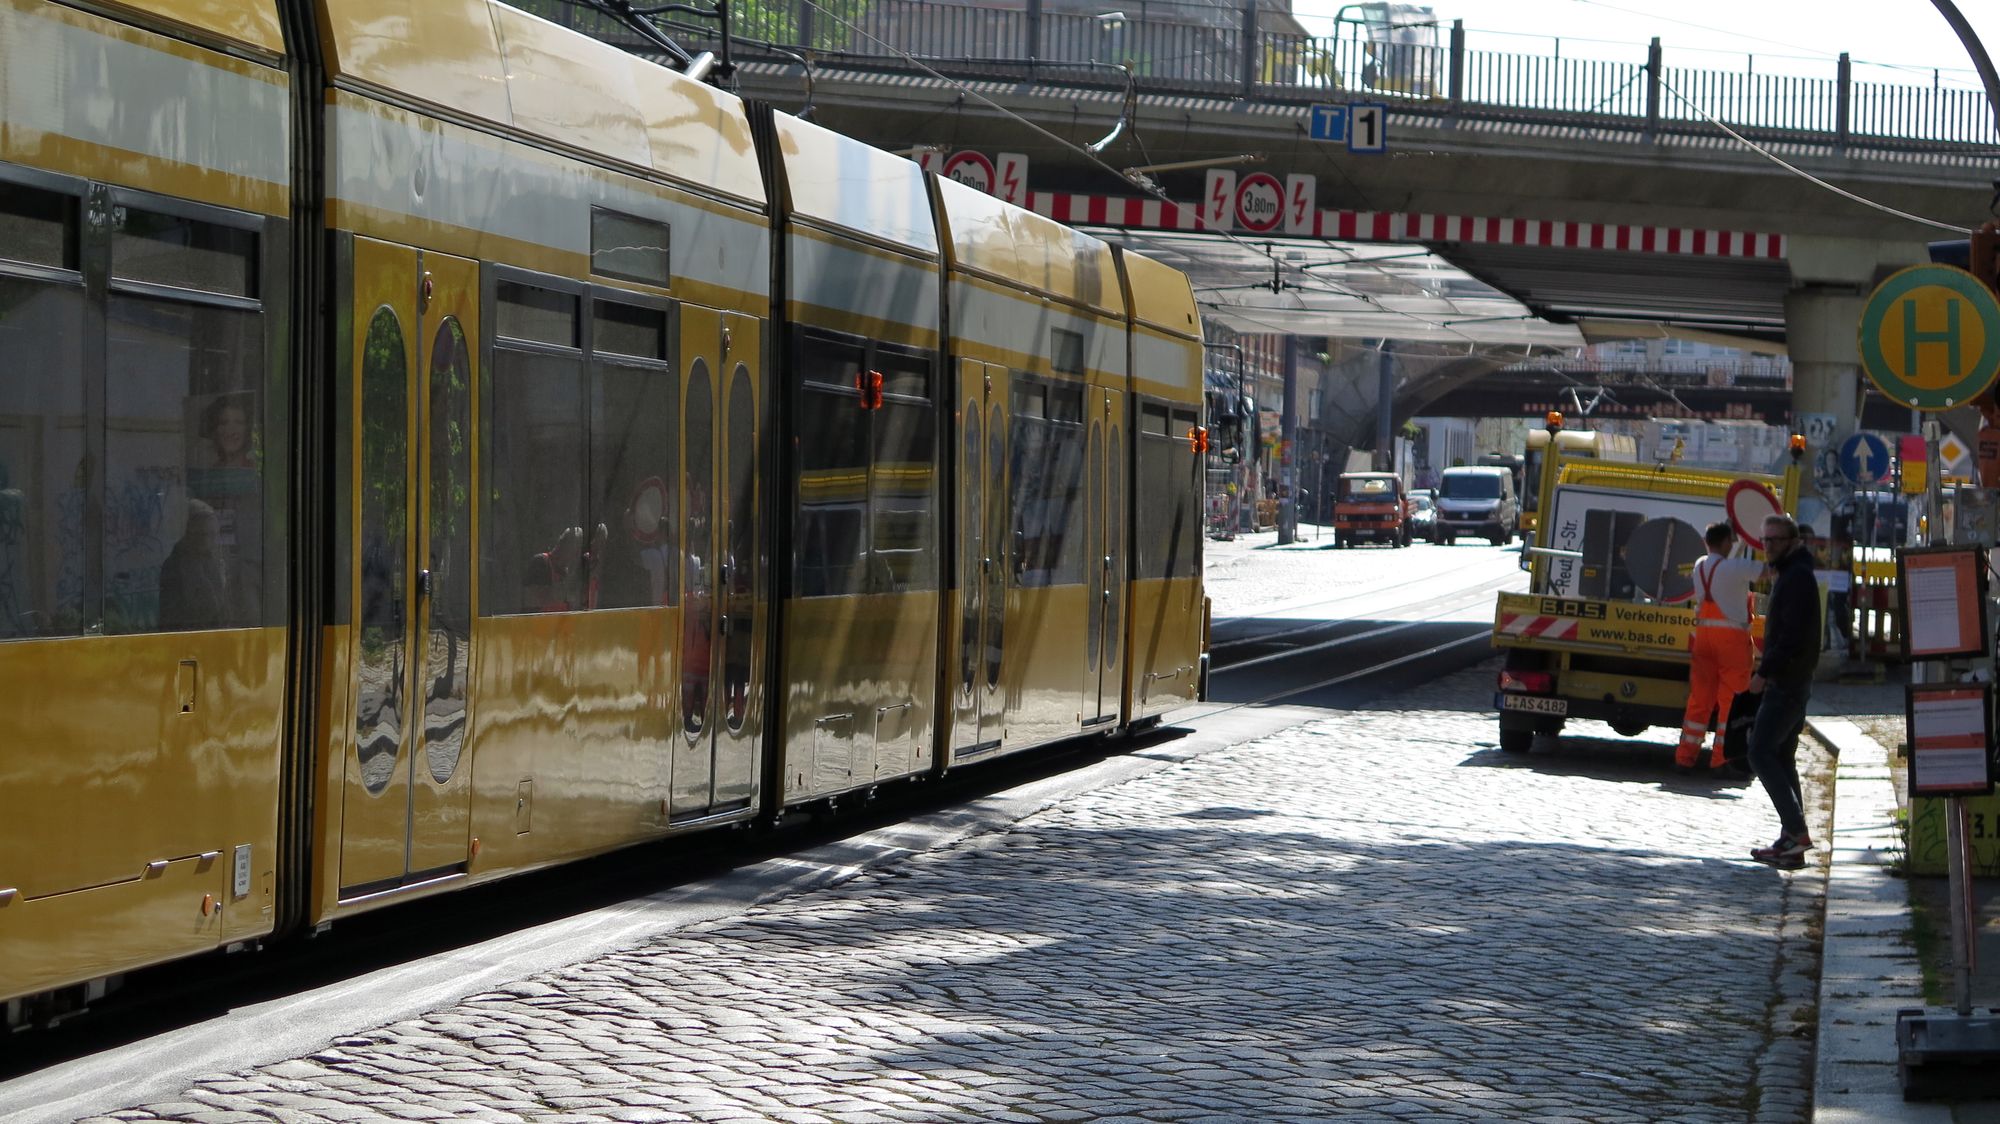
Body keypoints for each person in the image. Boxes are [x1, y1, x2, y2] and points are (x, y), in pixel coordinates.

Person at [1746, 513, 1823, 869]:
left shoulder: (1797, 578)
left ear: (1792, 542)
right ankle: (1790, 840)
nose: (1768, 546)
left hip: (1787, 682)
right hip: (1793, 680)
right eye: (1765, 540)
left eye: (1775, 540)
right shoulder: (1792, 574)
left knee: (1760, 751)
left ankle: (1795, 832)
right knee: (1782, 756)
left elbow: (1790, 637)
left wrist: (1764, 672)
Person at [1675, 521, 1760, 773]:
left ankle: (1685, 757)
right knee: (1730, 704)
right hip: (1731, 642)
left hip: (1704, 639)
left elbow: (1720, 571)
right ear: (1725, 543)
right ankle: (1722, 760)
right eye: (1730, 541)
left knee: (1699, 701)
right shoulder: (1735, 568)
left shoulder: (1700, 566)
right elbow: (1767, 570)